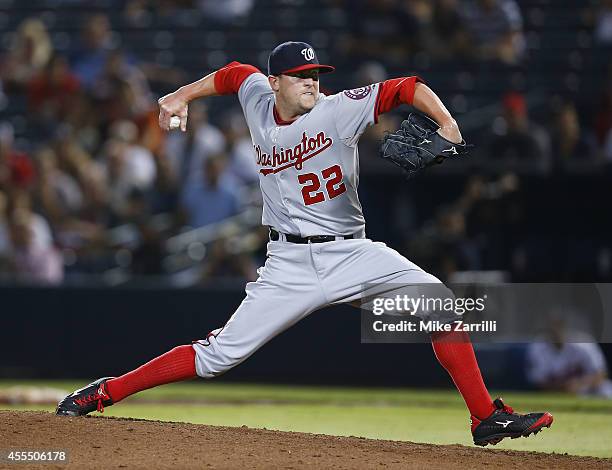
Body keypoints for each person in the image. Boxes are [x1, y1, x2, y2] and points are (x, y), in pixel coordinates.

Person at [56, 41, 553, 447]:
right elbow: (234, 73)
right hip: (288, 262)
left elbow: (406, 87)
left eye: (315, 72)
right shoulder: (256, 97)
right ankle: (104, 392)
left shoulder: (339, 110)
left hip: (353, 252)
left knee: (441, 306)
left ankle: (485, 417)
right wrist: (180, 96)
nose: (311, 80)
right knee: (218, 357)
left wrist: (446, 123)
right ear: (275, 84)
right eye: (299, 74)